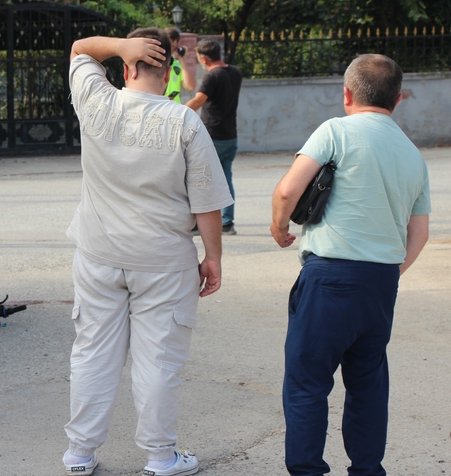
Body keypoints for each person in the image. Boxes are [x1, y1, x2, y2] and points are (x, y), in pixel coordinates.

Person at [63, 28, 233, 476]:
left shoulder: (97, 102)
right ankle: (160, 457)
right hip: (163, 260)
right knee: (158, 358)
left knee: (93, 351)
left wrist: (117, 45)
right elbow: (206, 202)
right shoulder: (184, 121)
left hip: (99, 253)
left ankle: (80, 453)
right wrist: (213, 257)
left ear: (126, 66)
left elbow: (80, 50)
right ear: (171, 69)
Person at [270, 54, 431, 476]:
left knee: (307, 383)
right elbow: (420, 233)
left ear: (347, 94)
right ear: (397, 99)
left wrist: (278, 227)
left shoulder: (335, 131)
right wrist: (390, 271)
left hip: (329, 278)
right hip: (380, 282)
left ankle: (307, 470)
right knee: (368, 383)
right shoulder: (413, 154)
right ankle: (367, 469)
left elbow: (288, 191)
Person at [185, 39, 241, 235]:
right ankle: (227, 222)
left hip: (212, 136)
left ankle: (197, 223)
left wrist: (176, 113)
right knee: (225, 178)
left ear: (204, 58)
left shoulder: (212, 77)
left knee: (200, 179)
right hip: (230, 135)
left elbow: (198, 100)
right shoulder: (235, 72)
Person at [164, 28, 196, 104]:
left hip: (174, 108)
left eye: (172, 46)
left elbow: (190, 86)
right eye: (167, 45)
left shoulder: (177, 64)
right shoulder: (154, 63)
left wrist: (182, 59)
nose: (169, 49)